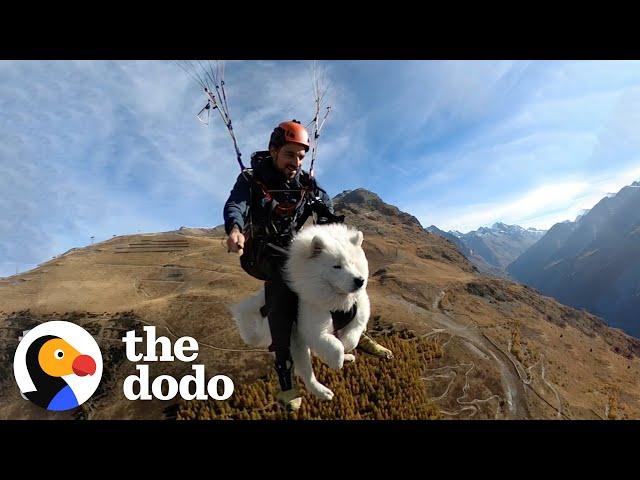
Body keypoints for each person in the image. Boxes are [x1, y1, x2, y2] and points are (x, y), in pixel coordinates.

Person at [224, 120, 392, 410]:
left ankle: (355, 333)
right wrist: (235, 230)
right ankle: (286, 377)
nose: (296, 162)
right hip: (261, 254)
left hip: (294, 251)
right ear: (274, 151)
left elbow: (325, 210)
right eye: (290, 155)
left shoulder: (306, 185)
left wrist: (336, 231)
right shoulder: (251, 181)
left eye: (301, 157)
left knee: (345, 279)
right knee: (285, 292)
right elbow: (236, 205)